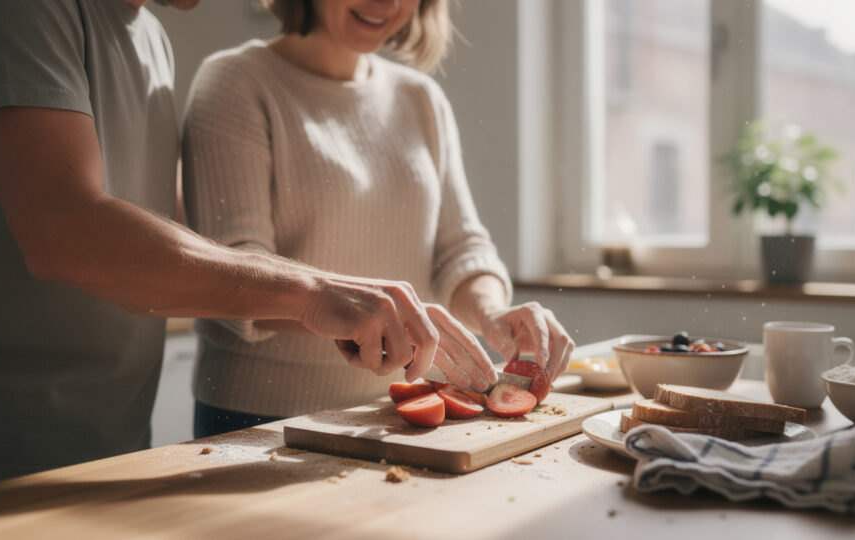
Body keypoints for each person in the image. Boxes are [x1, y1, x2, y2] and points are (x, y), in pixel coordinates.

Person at [0, 0, 492, 493]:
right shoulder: (13, 8)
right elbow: (64, 231)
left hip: (116, 443)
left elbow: (153, 230)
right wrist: (312, 292)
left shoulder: (149, 35)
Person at [182, 0, 575, 437]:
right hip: (261, 418)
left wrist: (492, 311)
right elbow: (234, 267)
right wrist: (349, 306)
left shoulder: (421, 98)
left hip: (396, 414)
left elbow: (460, 248)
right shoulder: (235, 82)